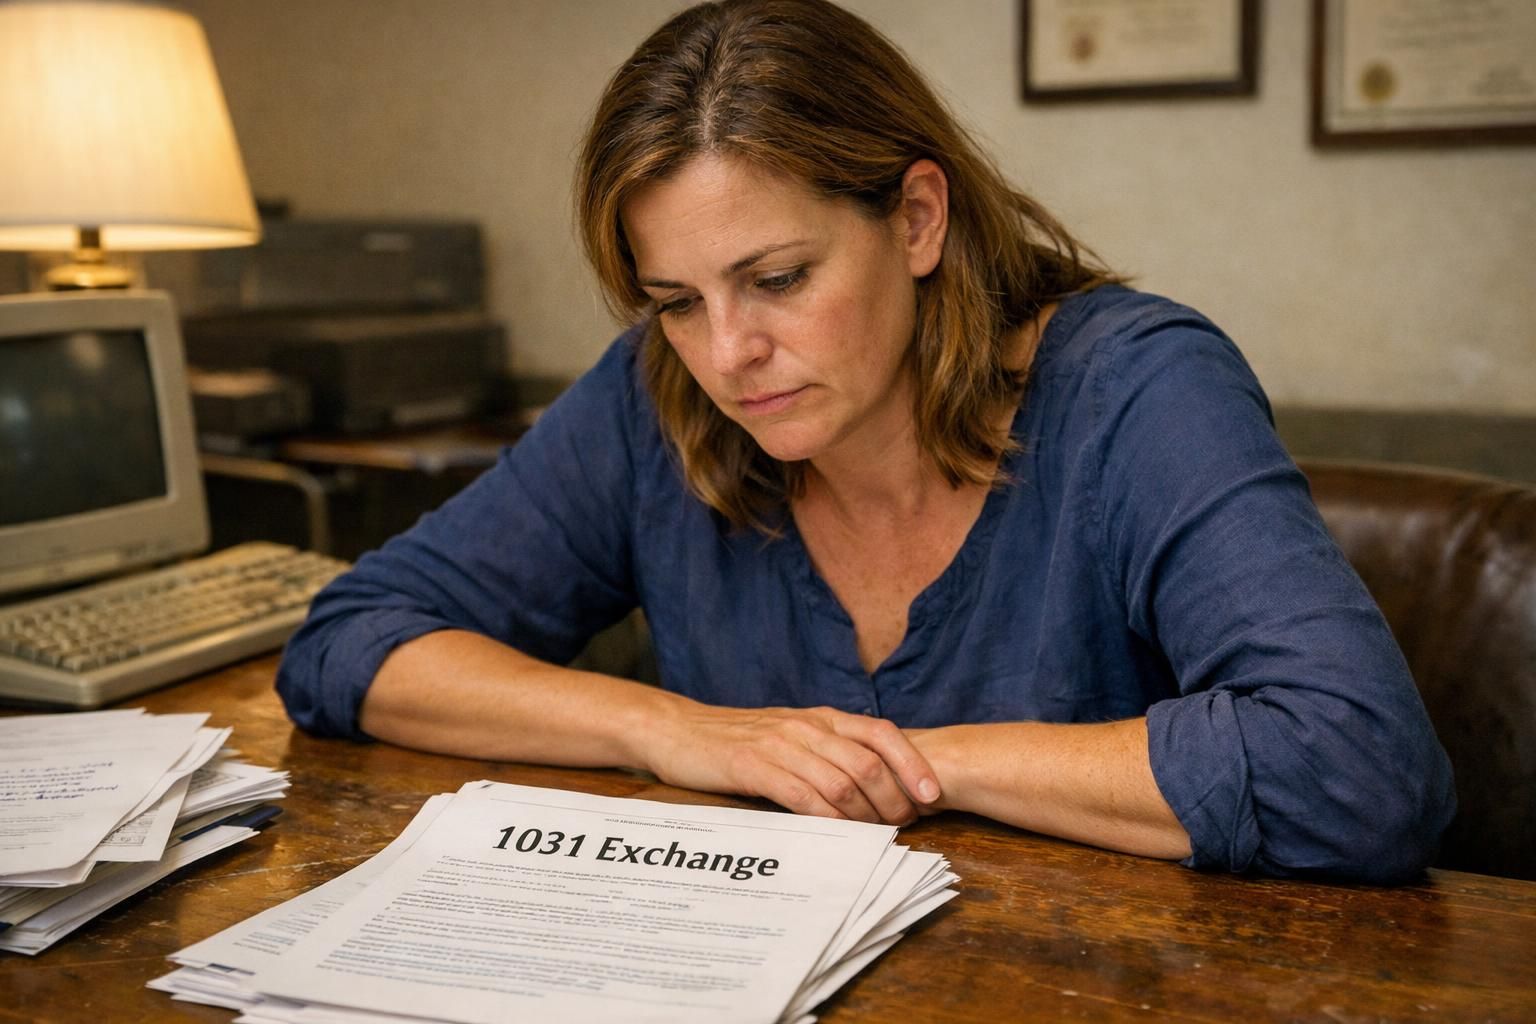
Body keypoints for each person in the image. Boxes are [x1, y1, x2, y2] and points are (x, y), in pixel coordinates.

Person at [277, 0, 1455, 882]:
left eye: (778, 278)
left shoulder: (1137, 388)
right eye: (677, 300)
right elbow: (351, 645)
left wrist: (901, 764)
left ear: (919, 220)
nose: (728, 351)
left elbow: (1356, 768)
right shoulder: (657, 395)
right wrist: (676, 730)